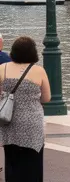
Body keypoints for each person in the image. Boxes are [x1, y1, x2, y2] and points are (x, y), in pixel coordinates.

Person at [0, 37, 51, 182]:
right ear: (33, 52)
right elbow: (46, 98)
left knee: (12, 163)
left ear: (13, 52)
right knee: (33, 165)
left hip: (9, 122)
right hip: (33, 125)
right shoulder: (39, 71)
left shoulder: (2, 68)